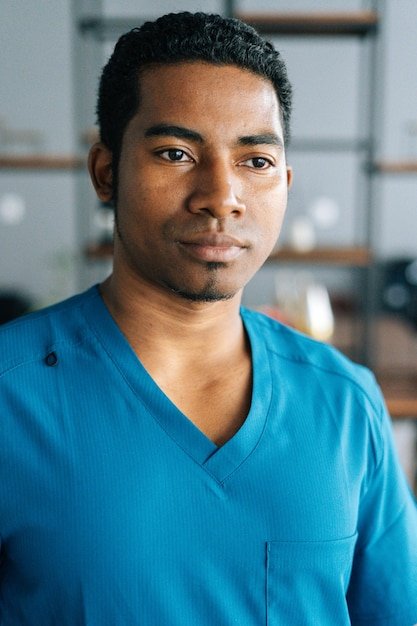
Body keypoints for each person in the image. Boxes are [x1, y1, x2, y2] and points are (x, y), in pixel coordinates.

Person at [0, 11, 416, 626]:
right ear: (106, 173)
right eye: (176, 152)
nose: (222, 194)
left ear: (285, 182)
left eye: (256, 161)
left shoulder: (345, 402)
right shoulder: (11, 392)